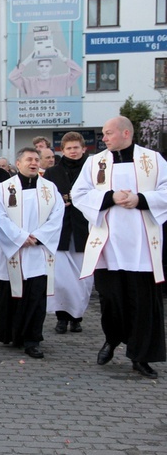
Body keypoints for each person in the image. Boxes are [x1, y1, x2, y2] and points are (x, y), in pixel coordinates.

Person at [71, 116, 167, 379]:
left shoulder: (154, 160)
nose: (103, 138)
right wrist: (109, 196)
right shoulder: (95, 162)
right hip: (109, 245)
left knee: (143, 304)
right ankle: (112, 340)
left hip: (143, 247)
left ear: (126, 133)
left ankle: (140, 356)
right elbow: (79, 194)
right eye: (103, 134)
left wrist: (141, 199)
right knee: (112, 301)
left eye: (108, 133)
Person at [0, 147, 64, 359]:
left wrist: (39, 236)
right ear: (19, 163)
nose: (33, 163)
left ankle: (33, 339)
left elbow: (57, 215)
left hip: (38, 252)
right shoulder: (4, 189)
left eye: (36, 159)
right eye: (29, 159)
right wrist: (20, 237)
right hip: (14, 251)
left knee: (35, 296)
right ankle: (14, 335)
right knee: (13, 295)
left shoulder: (50, 189)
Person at [43, 132, 93, 335]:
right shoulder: (52, 173)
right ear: (62, 150)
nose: (73, 151)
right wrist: (59, 202)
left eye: (76, 147)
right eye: (69, 148)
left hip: (84, 229)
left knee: (83, 278)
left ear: (83, 148)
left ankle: (77, 317)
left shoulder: (91, 170)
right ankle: (62, 317)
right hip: (61, 230)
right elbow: (44, 198)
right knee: (61, 278)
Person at [9, 48, 83, 97]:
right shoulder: (29, 82)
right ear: (37, 67)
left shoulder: (61, 80)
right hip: (34, 116)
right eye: (41, 66)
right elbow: (12, 77)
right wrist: (28, 60)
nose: (44, 69)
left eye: (47, 66)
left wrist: (62, 57)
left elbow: (78, 71)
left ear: (51, 67)